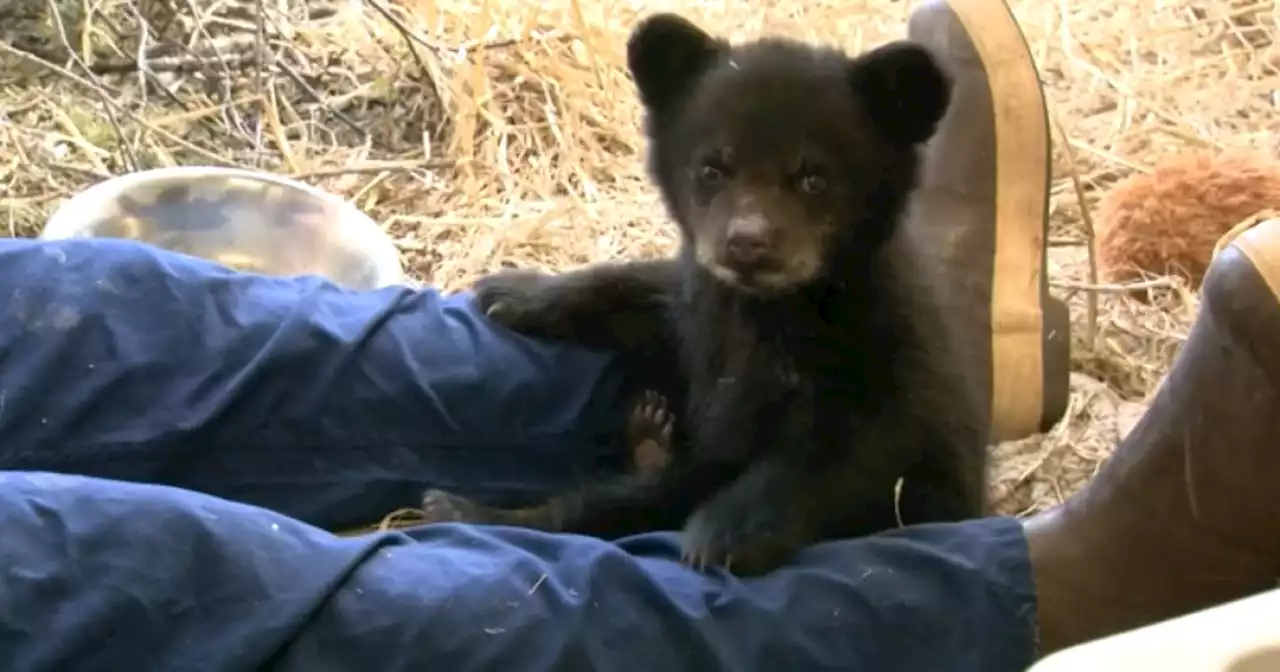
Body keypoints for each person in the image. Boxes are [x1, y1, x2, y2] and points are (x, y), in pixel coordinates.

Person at [2, 3, 1276, 671]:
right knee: (105, 580)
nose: (746, 227)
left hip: (832, 434)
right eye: (719, 179)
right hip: (757, 475)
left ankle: (580, 409)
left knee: (93, 318)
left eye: (812, 186)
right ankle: (1008, 599)